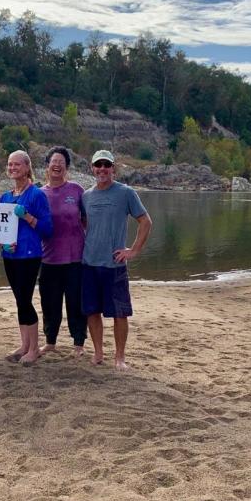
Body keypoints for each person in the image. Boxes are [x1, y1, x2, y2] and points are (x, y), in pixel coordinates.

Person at [82, 150, 152, 370]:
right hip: (89, 264)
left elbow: (145, 221)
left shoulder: (126, 193)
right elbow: (84, 224)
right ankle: (98, 352)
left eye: (106, 165)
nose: (102, 169)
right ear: (92, 168)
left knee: (119, 313)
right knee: (92, 311)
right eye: (98, 165)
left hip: (114, 265)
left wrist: (133, 250)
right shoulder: (86, 196)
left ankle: (119, 357)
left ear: (113, 168)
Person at [0, 149, 53, 365]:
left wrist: (28, 216)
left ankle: (34, 348)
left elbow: (47, 230)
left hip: (29, 255)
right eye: (10, 164)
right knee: (19, 301)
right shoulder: (5, 197)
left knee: (25, 300)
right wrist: (2, 241)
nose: (13, 168)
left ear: (27, 167)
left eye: (17, 164)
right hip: (9, 255)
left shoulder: (37, 195)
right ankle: (24, 345)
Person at [39, 146, 87, 357]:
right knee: (50, 303)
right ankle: (50, 341)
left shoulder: (76, 190)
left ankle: (79, 343)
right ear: (47, 166)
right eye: (53, 161)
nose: (57, 165)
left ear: (67, 167)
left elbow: (86, 221)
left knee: (76, 302)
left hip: (75, 258)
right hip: (48, 259)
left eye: (61, 162)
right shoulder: (39, 194)